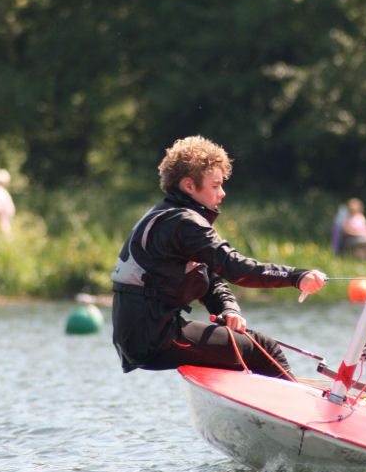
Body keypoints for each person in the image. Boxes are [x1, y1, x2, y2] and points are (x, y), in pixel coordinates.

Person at [111, 135, 325, 379]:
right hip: (155, 338)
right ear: (189, 185)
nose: (222, 193)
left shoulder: (167, 215)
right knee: (264, 349)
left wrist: (228, 308)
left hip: (142, 336)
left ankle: (258, 409)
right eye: (215, 186)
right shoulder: (183, 222)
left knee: (241, 346)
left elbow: (210, 279)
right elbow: (234, 267)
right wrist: (297, 276)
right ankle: (293, 413)